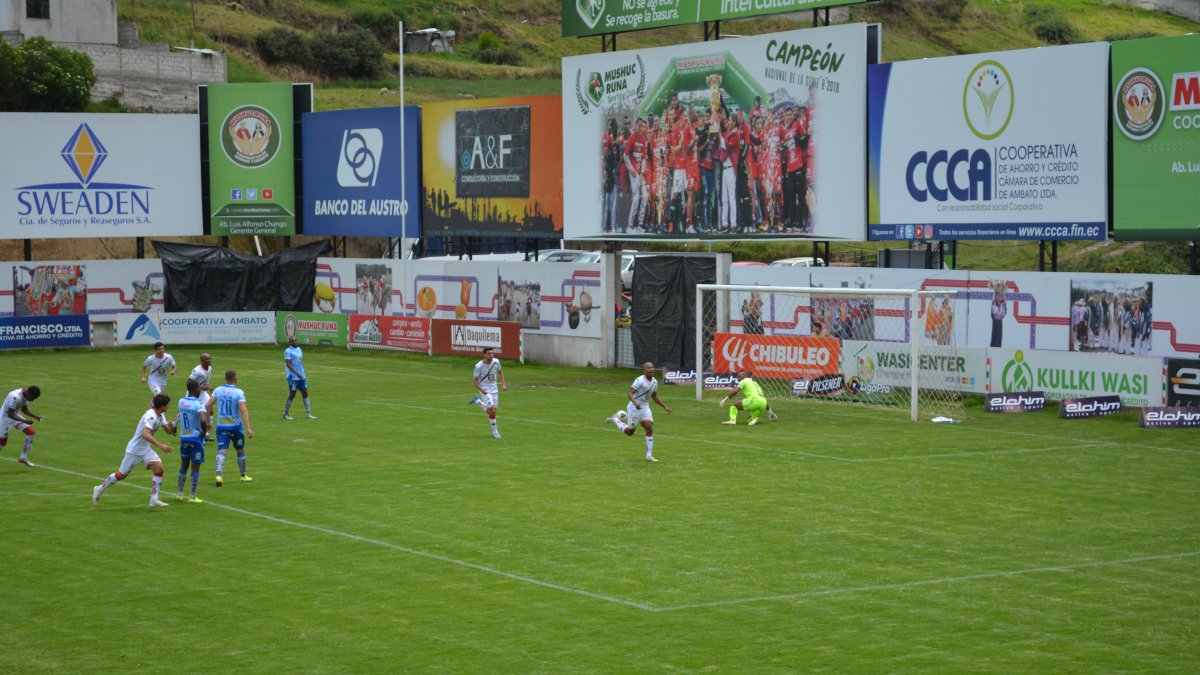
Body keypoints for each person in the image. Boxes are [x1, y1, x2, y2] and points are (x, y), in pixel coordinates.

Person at [92, 393, 175, 508]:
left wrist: (172, 426)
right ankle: (99, 489)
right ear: (162, 406)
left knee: (159, 468)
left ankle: (154, 500)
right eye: (168, 405)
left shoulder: (160, 415)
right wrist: (161, 446)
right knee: (121, 475)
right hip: (134, 450)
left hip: (145, 450)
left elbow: (168, 431)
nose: (169, 407)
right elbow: (145, 434)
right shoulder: (150, 416)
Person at [605, 361, 672, 462]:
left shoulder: (654, 382)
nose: (651, 369)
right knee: (629, 432)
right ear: (645, 370)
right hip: (633, 408)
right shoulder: (639, 380)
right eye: (648, 368)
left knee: (649, 428)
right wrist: (636, 404)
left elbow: (654, 396)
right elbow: (630, 393)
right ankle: (615, 419)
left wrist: (665, 406)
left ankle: (649, 455)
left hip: (645, 408)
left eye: (652, 367)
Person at [206, 369, 255, 487]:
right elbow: (243, 410)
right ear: (235, 378)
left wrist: (207, 422)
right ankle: (243, 475)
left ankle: (218, 475)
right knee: (240, 449)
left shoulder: (218, 390)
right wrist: (248, 428)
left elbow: (207, 405)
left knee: (222, 450)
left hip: (221, 426)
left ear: (225, 378)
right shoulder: (238, 392)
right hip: (235, 426)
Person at [174, 379, 209, 503]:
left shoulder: (181, 402)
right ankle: (193, 496)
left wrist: (174, 425)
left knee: (184, 465)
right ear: (196, 389)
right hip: (196, 439)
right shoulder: (199, 405)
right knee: (195, 467)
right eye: (199, 388)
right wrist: (204, 433)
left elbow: (179, 416)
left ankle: (179, 493)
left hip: (184, 438)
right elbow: (204, 420)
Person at [469, 347, 508, 439]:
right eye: (489, 353)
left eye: (492, 353)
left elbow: (500, 372)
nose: (491, 355)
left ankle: (477, 401)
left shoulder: (496, 362)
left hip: (494, 389)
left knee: (492, 412)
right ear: (484, 354)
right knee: (492, 409)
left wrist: (503, 384)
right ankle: (495, 432)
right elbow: (474, 381)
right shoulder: (479, 366)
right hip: (485, 390)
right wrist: (482, 390)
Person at [1, 385, 42, 468]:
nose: (32, 400)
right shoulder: (15, 397)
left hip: (15, 416)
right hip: (5, 419)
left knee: (31, 433)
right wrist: (24, 420)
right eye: (33, 398)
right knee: (2, 443)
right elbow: (10, 413)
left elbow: (24, 409)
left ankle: (23, 457)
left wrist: (35, 416)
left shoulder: (25, 395)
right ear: (28, 393)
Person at [283, 336, 315, 420]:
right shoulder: (288, 351)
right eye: (293, 341)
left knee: (305, 393)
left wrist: (302, 373)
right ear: (290, 342)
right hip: (293, 377)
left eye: (295, 340)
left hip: (301, 376)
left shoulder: (299, 349)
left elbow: (301, 362)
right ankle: (285, 413)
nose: (295, 342)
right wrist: (297, 373)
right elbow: (288, 364)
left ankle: (308, 413)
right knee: (292, 394)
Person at [189, 353, 215, 439]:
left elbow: (205, 382)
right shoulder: (197, 370)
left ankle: (207, 433)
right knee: (188, 410)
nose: (209, 360)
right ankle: (174, 424)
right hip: (193, 393)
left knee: (210, 409)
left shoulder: (210, 369)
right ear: (202, 360)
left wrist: (207, 387)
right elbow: (189, 383)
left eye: (210, 358)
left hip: (202, 393)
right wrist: (201, 387)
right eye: (207, 359)